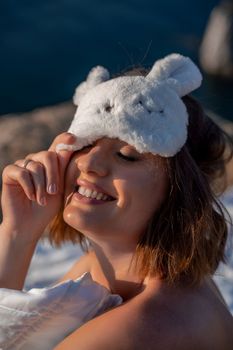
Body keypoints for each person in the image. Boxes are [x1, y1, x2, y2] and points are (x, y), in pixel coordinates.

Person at [0, 53, 233, 349]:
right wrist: (18, 232)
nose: (89, 163)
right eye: (86, 144)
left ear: (180, 191)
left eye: (127, 155)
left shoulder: (145, 326)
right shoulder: (110, 270)